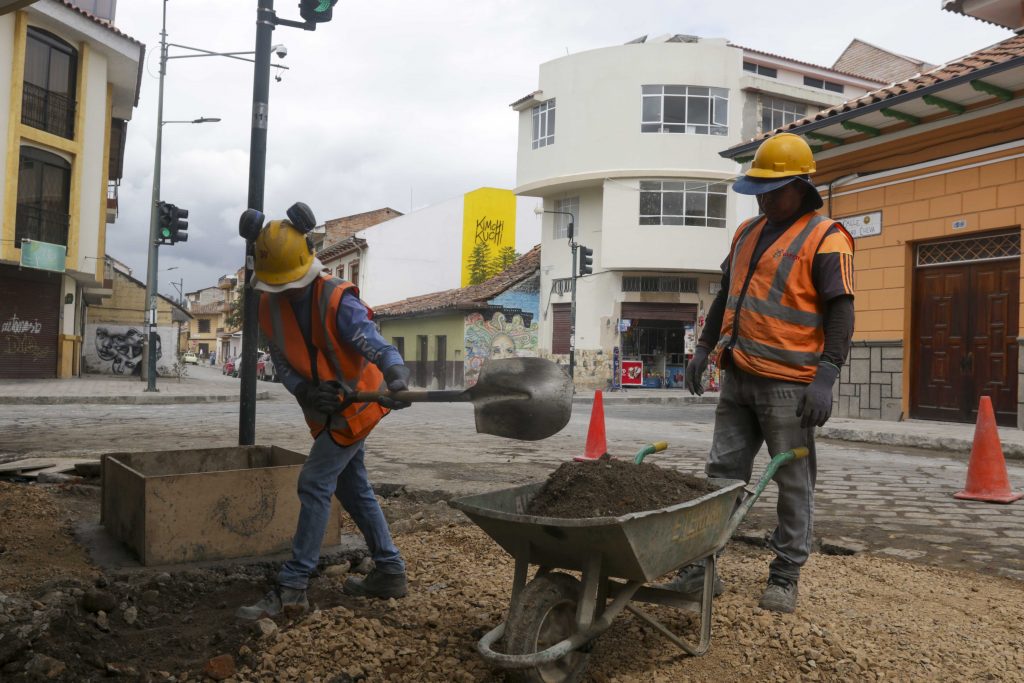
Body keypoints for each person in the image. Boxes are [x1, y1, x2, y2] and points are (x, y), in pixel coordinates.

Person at [672, 133, 855, 614]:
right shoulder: (746, 233)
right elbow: (723, 296)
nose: (766, 198)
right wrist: (703, 349)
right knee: (721, 474)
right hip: (736, 377)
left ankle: (785, 573)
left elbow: (841, 311)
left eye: (775, 189)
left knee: (792, 480)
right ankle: (703, 565)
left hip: (789, 386)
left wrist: (826, 376)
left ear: (802, 185)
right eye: (760, 190)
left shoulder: (827, 237)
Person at [237, 204, 412, 621]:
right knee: (353, 489)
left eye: (293, 284)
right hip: (327, 411)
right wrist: (307, 392)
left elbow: (373, 342)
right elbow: (282, 363)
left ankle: (294, 587)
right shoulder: (266, 304)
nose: (288, 292)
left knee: (314, 481)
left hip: (359, 404)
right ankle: (389, 571)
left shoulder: (335, 297)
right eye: (280, 286)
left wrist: (395, 375)